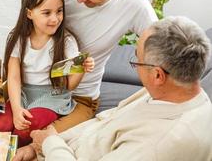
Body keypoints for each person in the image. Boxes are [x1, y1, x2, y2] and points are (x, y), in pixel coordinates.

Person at [0, 0, 157, 138]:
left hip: (79, 95)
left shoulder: (135, 5)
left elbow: (160, 47)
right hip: (26, 85)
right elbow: (25, 28)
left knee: (39, 139)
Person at [23, 16, 212, 161]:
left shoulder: (156, 146)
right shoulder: (168, 92)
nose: (135, 64)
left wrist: (50, 144)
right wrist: (44, 144)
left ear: (157, 75)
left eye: (137, 59)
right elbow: (105, 120)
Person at [0, 0, 94, 147]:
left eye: (59, 11)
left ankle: (20, 151)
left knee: (25, 129)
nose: (55, 19)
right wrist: (16, 109)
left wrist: (81, 69)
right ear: (29, 13)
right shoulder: (18, 38)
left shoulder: (66, 41)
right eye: (47, 13)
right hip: (24, 93)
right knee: (2, 125)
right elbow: (14, 77)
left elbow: (69, 86)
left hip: (52, 95)